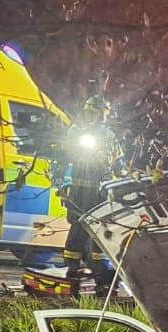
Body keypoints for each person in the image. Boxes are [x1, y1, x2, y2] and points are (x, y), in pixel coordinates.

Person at [59, 94, 118, 284]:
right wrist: (63, 186)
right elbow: (65, 158)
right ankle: (72, 267)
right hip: (79, 191)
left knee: (101, 227)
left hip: (100, 192)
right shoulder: (76, 131)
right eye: (91, 113)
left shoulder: (110, 135)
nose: (93, 117)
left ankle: (100, 269)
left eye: (97, 113)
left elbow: (117, 161)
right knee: (78, 226)